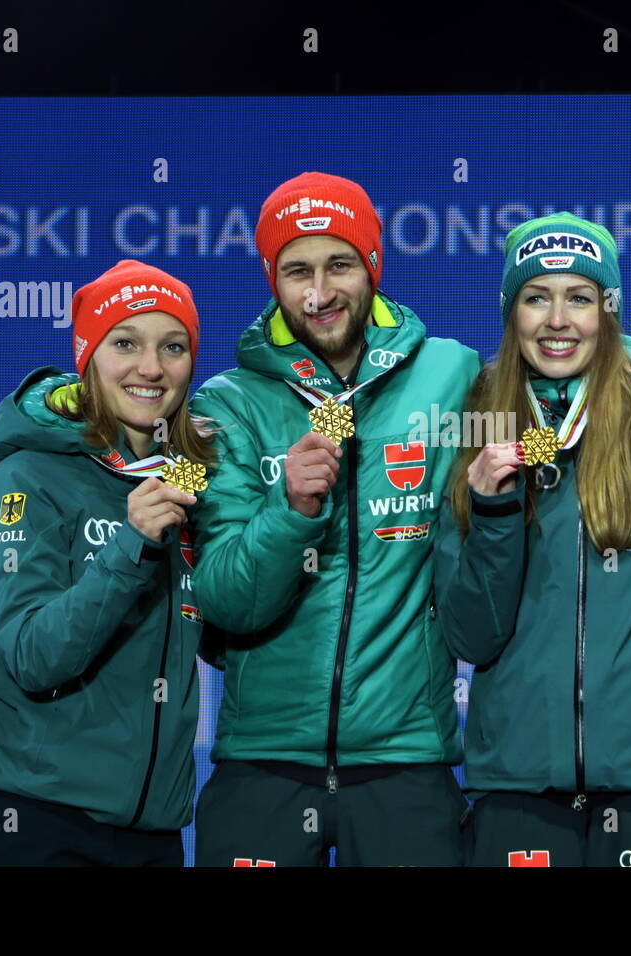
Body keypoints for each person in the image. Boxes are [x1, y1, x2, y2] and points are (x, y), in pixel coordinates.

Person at [190, 172, 481, 867]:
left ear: (373, 266)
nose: (319, 294)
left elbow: (536, 465)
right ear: (272, 279)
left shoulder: (453, 374)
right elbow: (227, 601)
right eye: (296, 271)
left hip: (406, 758)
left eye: (339, 265)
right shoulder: (226, 402)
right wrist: (289, 512)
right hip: (263, 758)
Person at [434, 213, 631, 867]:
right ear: (512, 312)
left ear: (608, 310)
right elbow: (473, 636)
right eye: (537, 297)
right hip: (518, 781)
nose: (557, 319)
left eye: (580, 297)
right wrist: (493, 511)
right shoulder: (478, 420)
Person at [0, 259, 213, 866]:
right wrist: (134, 543)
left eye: (173, 346)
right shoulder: (23, 480)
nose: (151, 368)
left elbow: (225, 627)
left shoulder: (189, 484)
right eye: (126, 343)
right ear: (88, 356)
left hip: (152, 831)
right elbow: (36, 658)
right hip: (31, 819)